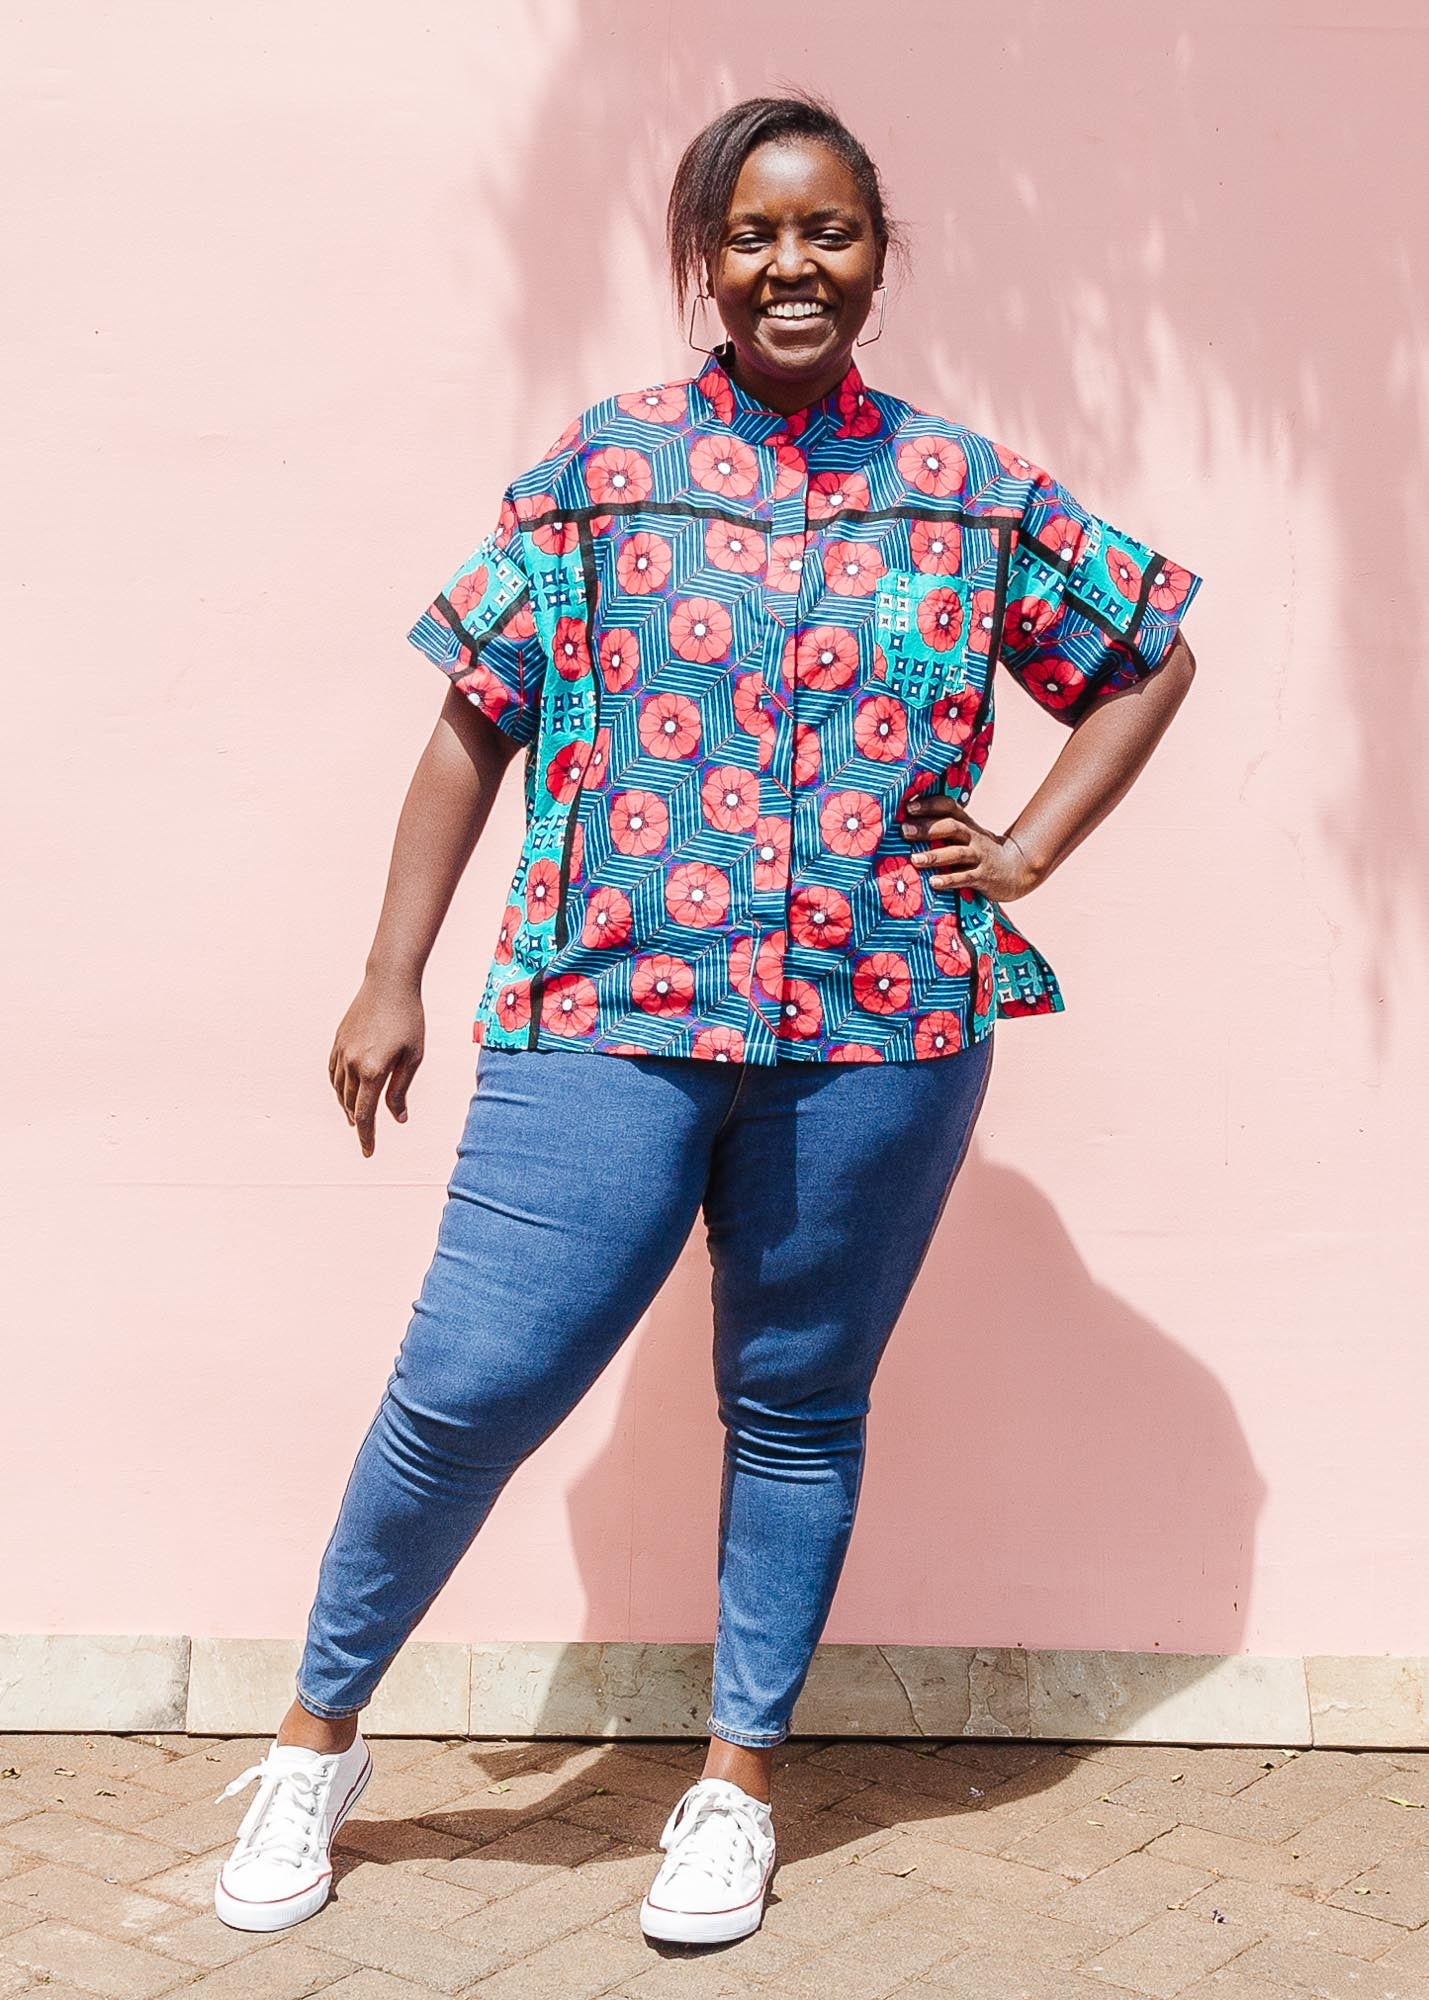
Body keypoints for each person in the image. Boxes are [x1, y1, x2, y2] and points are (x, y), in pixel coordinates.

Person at [212, 91, 1202, 1949]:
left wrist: (1033, 851)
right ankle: (314, 1741)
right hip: (606, 1002)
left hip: (883, 1022)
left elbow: (1144, 654)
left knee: (798, 1404)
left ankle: (733, 1786)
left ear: (877, 255)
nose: (788, 265)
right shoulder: (602, 468)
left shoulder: (970, 491)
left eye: (825, 231)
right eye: (749, 234)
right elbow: (474, 717)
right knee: (471, 1389)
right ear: (702, 263)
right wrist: (387, 969)